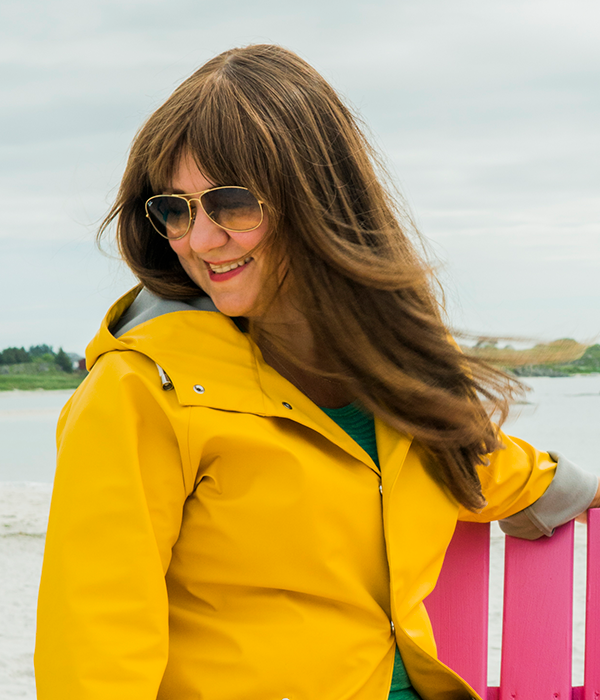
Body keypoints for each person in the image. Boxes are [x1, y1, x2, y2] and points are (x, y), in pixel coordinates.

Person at [34, 44, 599, 700]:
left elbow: (478, 458)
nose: (200, 239)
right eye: (176, 209)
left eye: (231, 204)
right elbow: (93, 650)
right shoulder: (139, 392)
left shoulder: (391, 367)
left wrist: (569, 490)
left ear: (318, 197)